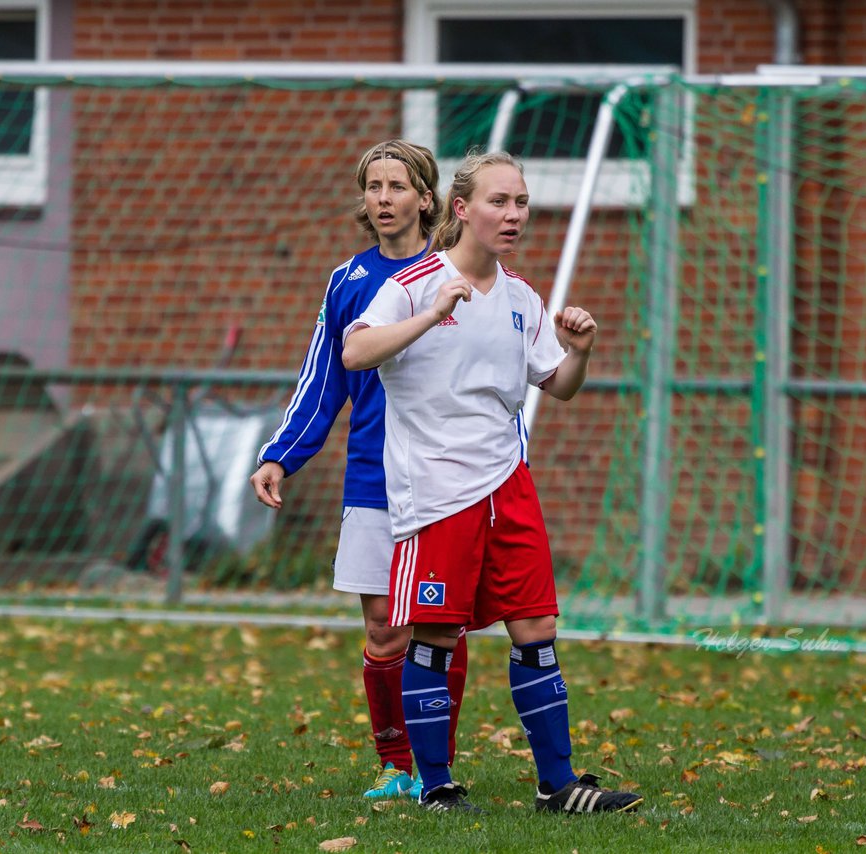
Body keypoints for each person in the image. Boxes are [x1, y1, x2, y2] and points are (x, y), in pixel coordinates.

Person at [341, 150, 643, 815]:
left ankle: (557, 784)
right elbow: (355, 351)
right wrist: (429, 314)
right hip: (436, 491)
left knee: (537, 625)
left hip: (508, 482)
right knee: (438, 636)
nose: (514, 215)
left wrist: (580, 353)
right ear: (460, 209)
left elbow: (557, 387)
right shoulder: (416, 282)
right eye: (500, 202)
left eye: (521, 203)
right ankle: (438, 786)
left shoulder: (520, 296)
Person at [250, 140, 468, 801]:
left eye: (396, 186)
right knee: (381, 625)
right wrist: (280, 455)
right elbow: (322, 381)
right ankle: (396, 766)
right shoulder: (348, 282)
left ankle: (437, 769)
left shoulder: (456, 277)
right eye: (372, 186)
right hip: (373, 477)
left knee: (436, 624)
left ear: (425, 199)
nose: (382, 198)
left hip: (443, 477)